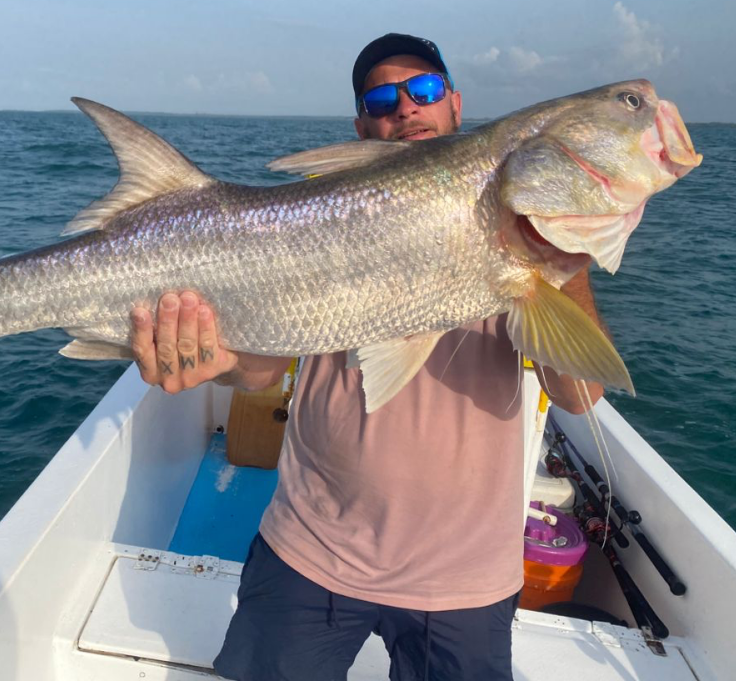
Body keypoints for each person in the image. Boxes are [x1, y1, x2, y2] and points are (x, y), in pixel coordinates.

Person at [130, 34, 605, 681]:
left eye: (424, 90)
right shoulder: (328, 215)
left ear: (455, 104)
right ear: (361, 126)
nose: (406, 107)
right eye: (382, 100)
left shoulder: (509, 226)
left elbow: (579, 395)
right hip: (312, 548)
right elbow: (262, 369)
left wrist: (563, 261)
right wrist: (216, 362)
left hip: (465, 577)